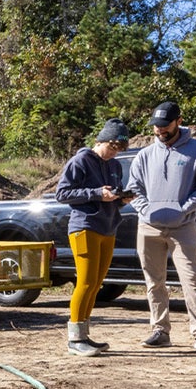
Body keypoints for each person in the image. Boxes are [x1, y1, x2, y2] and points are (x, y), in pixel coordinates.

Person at [125, 101, 196, 353]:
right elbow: (135, 188)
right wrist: (146, 210)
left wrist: (183, 209)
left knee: (191, 279)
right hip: (148, 227)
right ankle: (160, 330)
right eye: (156, 126)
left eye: (165, 125)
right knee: (154, 281)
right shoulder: (144, 154)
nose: (159, 130)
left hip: (183, 227)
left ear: (179, 121)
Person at [55, 118, 132, 356]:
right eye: (112, 147)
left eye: (119, 150)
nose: (114, 153)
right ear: (100, 141)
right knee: (85, 282)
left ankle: (84, 335)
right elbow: (62, 193)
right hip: (84, 227)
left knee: (96, 285)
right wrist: (97, 193)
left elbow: (110, 199)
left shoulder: (115, 166)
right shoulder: (80, 161)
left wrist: (121, 199)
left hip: (107, 227)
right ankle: (75, 339)